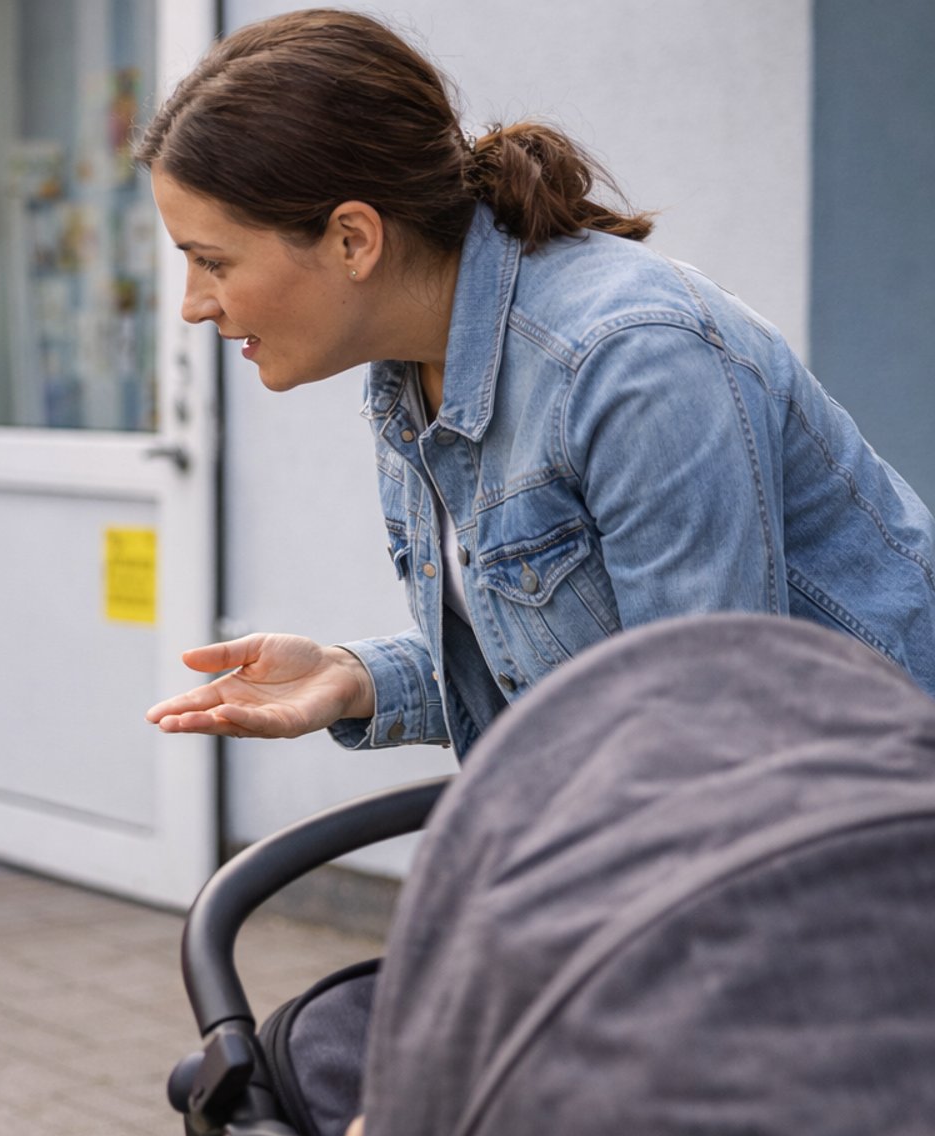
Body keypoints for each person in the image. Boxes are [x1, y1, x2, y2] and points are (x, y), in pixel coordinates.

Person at [140, 8, 935, 760]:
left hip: (874, 830)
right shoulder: (408, 374)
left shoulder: (632, 359)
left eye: (212, 260)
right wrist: (354, 678)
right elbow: (564, 661)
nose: (193, 306)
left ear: (353, 238)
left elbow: (705, 726)